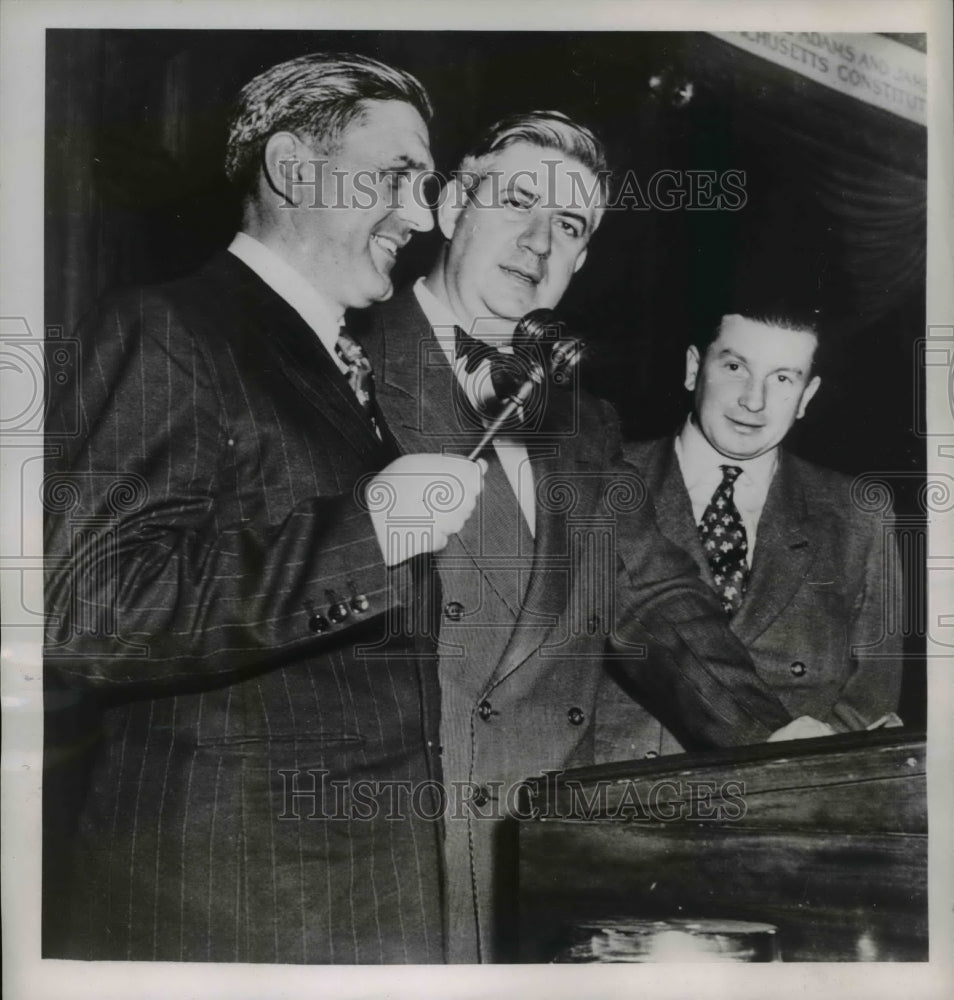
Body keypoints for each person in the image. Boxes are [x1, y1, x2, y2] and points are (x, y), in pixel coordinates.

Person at [43, 51, 485, 964]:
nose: (417, 215)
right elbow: (95, 612)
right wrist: (371, 532)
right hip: (235, 906)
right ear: (291, 169)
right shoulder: (166, 329)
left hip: (356, 895)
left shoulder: (337, 357)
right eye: (397, 177)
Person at [357, 111, 814, 963]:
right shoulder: (342, 361)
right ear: (452, 205)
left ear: (582, 260)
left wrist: (776, 741)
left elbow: (655, 598)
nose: (537, 240)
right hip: (378, 866)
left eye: (567, 225)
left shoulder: (581, 420)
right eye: (517, 201)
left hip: (531, 863)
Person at [596, 304, 903, 762]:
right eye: (736, 366)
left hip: (783, 811)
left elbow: (869, 700)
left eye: (783, 379)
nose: (753, 400)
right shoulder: (602, 477)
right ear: (693, 369)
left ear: (807, 396)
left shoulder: (857, 513)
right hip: (624, 807)